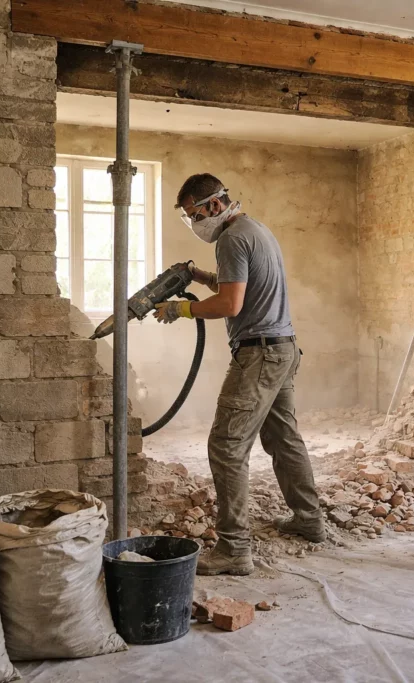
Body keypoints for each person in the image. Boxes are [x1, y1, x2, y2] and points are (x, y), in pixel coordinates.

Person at [154, 173, 324, 576]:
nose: (195, 223)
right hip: (282, 348)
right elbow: (243, 285)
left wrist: (182, 309)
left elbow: (231, 304)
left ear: (214, 205)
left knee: (227, 445)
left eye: (194, 214)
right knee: (284, 438)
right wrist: (198, 277)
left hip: (259, 356)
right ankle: (310, 520)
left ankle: (234, 548)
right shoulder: (255, 230)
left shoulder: (232, 239)